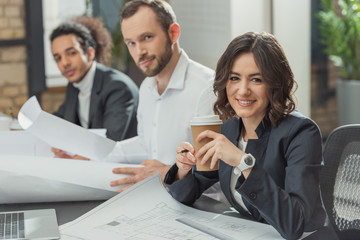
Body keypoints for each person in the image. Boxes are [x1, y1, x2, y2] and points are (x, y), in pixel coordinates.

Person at [165, 32, 338, 239]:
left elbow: (295, 224)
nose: (243, 90)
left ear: (274, 83)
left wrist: (242, 161)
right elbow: (185, 195)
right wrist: (184, 169)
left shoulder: (301, 132)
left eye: (256, 79)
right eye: (234, 78)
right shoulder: (229, 129)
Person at [105, 0, 216, 190]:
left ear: (173, 33)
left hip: (200, 204)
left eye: (147, 37)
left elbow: (214, 172)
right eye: (131, 43)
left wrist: (168, 173)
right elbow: (147, 144)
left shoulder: (206, 89)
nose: (140, 52)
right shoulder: (147, 87)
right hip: (158, 195)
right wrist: (95, 155)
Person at [50, 20, 139, 148]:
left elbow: (109, 143)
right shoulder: (74, 86)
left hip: (120, 164)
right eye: (58, 58)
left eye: (71, 53)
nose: (64, 63)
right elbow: (61, 120)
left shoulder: (117, 87)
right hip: (89, 161)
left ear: (90, 54)